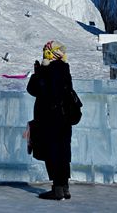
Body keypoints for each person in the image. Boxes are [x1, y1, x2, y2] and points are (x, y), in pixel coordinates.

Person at [27, 40, 73, 200]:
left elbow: (34, 90)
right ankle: (64, 187)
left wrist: (37, 72)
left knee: (52, 151)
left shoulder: (48, 70)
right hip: (65, 118)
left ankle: (57, 189)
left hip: (49, 118)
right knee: (63, 151)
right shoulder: (65, 69)